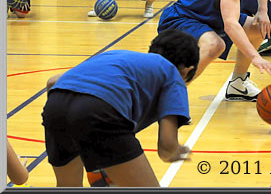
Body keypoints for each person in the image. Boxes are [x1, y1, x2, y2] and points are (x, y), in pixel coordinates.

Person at [41, 29, 199, 187]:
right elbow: (166, 146)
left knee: (68, 186)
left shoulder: (116, 55)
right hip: (98, 111)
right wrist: (175, 151)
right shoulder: (173, 74)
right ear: (188, 70)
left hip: (55, 105)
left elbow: (52, 82)